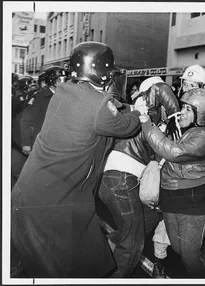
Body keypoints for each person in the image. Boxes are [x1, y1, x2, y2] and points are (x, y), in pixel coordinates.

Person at [11, 41, 148, 278]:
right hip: (54, 203)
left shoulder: (63, 92)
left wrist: (123, 106)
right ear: (101, 71)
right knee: (70, 266)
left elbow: (103, 108)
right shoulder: (99, 107)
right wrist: (140, 112)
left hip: (30, 192)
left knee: (43, 262)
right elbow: (125, 125)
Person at [97, 76, 179, 277]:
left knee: (148, 218)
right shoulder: (147, 109)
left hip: (116, 180)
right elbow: (159, 89)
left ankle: (113, 245)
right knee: (133, 242)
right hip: (122, 179)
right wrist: (174, 113)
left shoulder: (136, 112)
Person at [139, 88, 205, 278]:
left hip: (195, 198)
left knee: (190, 255)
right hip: (171, 194)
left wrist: (147, 124)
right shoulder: (182, 128)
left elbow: (175, 152)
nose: (182, 112)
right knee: (178, 246)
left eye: (188, 110)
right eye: (183, 107)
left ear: (202, 115)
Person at [19, 66, 69, 156]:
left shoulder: (66, 96)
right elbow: (26, 121)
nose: (64, 83)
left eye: (65, 80)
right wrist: (26, 144)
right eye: (60, 80)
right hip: (42, 143)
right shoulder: (39, 97)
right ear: (51, 81)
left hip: (60, 142)